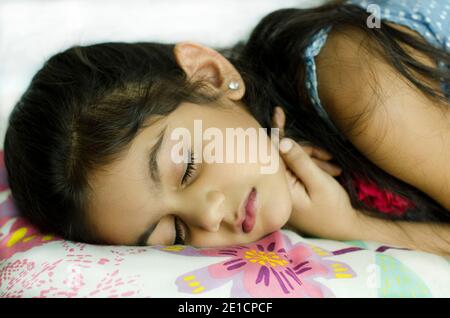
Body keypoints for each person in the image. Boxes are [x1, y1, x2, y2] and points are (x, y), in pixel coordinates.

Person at [3, 0, 450, 256]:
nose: (210, 216)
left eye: (189, 166)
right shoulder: (292, 183)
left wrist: (358, 227)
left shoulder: (351, 76)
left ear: (211, 76)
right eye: (175, 234)